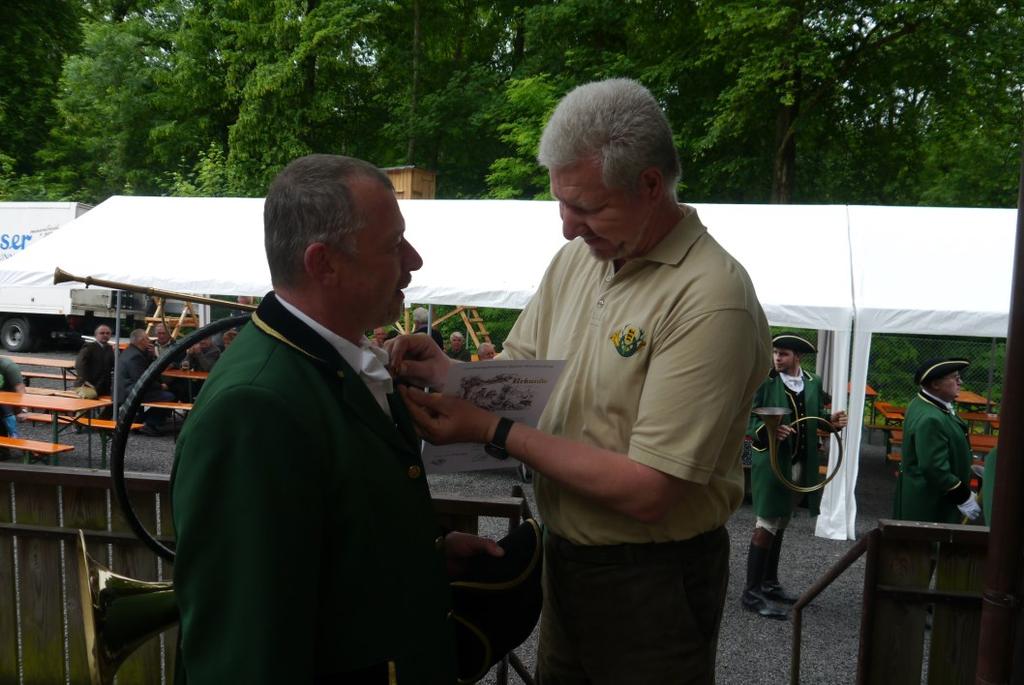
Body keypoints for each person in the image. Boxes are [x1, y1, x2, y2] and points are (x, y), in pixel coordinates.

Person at [391, 78, 771, 684]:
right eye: (561, 204)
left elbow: (651, 491)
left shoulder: (711, 297)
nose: (568, 228)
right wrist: (449, 372)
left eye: (588, 208)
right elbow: (520, 372)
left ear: (651, 185)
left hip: (653, 580)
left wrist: (493, 429)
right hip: (566, 558)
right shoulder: (582, 258)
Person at [170, 154, 502, 684]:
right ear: (324, 263)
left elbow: (321, 551)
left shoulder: (337, 364)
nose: (414, 261)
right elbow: (243, 649)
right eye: (393, 245)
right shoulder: (254, 408)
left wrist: (424, 557)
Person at [743, 334, 848, 619]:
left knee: (782, 520)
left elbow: (812, 414)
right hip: (773, 461)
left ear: (798, 357)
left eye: (784, 353)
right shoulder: (766, 380)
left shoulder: (812, 382)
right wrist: (770, 429)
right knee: (766, 521)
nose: (777, 358)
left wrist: (829, 422)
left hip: (801, 463)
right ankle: (751, 593)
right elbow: (747, 417)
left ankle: (769, 583)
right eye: (776, 352)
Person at [893, 358, 980, 524]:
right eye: (954, 378)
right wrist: (963, 496)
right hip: (930, 503)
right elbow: (934, 467)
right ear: (935, 384)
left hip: (927, 496)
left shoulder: (923, 404)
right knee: (928, 547)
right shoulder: (931, 418)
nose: (960, 382)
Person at [116, 328, 177, 436]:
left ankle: (139, 421)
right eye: (147, 339)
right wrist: (160, 386)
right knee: (169, 396)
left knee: (167, 394)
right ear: (141, 341)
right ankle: (149, 424)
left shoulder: (131, 351)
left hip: (125, 388)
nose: (149, 341)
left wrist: (151, 355)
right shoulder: (135, 356)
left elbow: (146, 370)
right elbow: (141, 379)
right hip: (130, 391)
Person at [72, 324, 115, 400]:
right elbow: (79, 365)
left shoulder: (109, 348)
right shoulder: (89, 348)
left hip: (103, 387)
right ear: (96, 335)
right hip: (86, 385)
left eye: (108, 333)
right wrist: (86, 381)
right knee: (89, 399)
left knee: (116, 400)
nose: (105, 335)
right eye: (102, 333)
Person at [0, 356, 27, 439]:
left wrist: (24, 409)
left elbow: (20, 388)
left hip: (11, 401)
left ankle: (13, 435)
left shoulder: (9, 366)